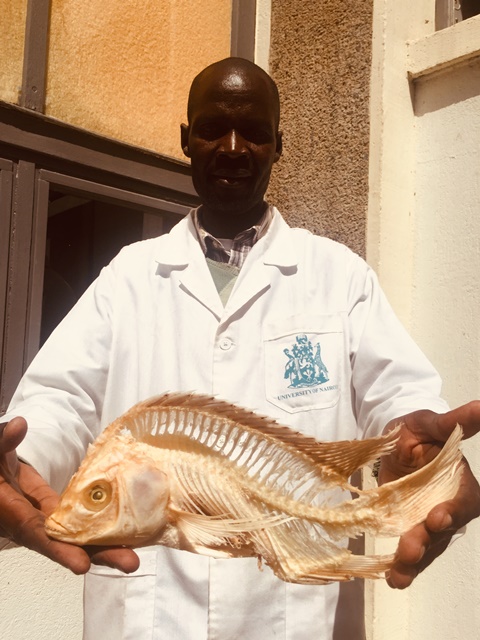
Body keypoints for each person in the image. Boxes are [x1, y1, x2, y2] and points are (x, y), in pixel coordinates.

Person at [0, 57, 479, 639]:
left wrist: (416, 454)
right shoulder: (129, 276)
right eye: (212, 128)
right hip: (149, 614)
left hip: (294, 616)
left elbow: (397, 402)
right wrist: (20, 461)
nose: (232, 147)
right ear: (185, 140)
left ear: (278, 145)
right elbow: (59, 401)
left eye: (253, 131)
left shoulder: (337, 276)